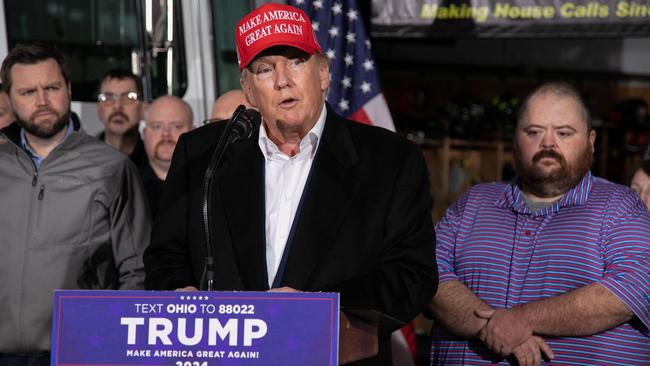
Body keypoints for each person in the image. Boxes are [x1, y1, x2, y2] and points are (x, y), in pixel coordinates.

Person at [144, 3, 437, 365]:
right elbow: (165, 255)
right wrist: (179, 292)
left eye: (296, 62)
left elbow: (412, 276)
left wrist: (318, 306)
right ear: (248, 90)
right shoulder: (204, 152)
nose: (282, 80)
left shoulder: (390, 160)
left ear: (325, 73)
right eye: (265, 69)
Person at [430, 82, 650, 365]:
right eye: (533, 132)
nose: (548, 143)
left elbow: (630, 289)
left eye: (563, 132)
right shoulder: (473, 203)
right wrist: (490, 326)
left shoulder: (621, 207)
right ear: (515, 139)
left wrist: (523, 319)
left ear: (591, 141)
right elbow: (428, 273)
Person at [0, 43, 150, 364]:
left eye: (51, 88)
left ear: (67, 89)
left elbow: (136, 269)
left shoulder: (111, 168)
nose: (42, 101)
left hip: (79, 351)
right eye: (27, 92)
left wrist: (113, 341)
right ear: (10, 99)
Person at [140, 95, 194, 217]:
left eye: (176, 126)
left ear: (194, 131)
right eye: (157, 126)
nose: (166, 134)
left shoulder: (209, 186)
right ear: (144, 134)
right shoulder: (128, 187)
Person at [96, 68, 147, 168]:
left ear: (142, 108)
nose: (117, 106)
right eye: (108, 98)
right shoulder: (82, 159)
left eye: (129, 97)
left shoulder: (155, 163)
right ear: (98, 110)